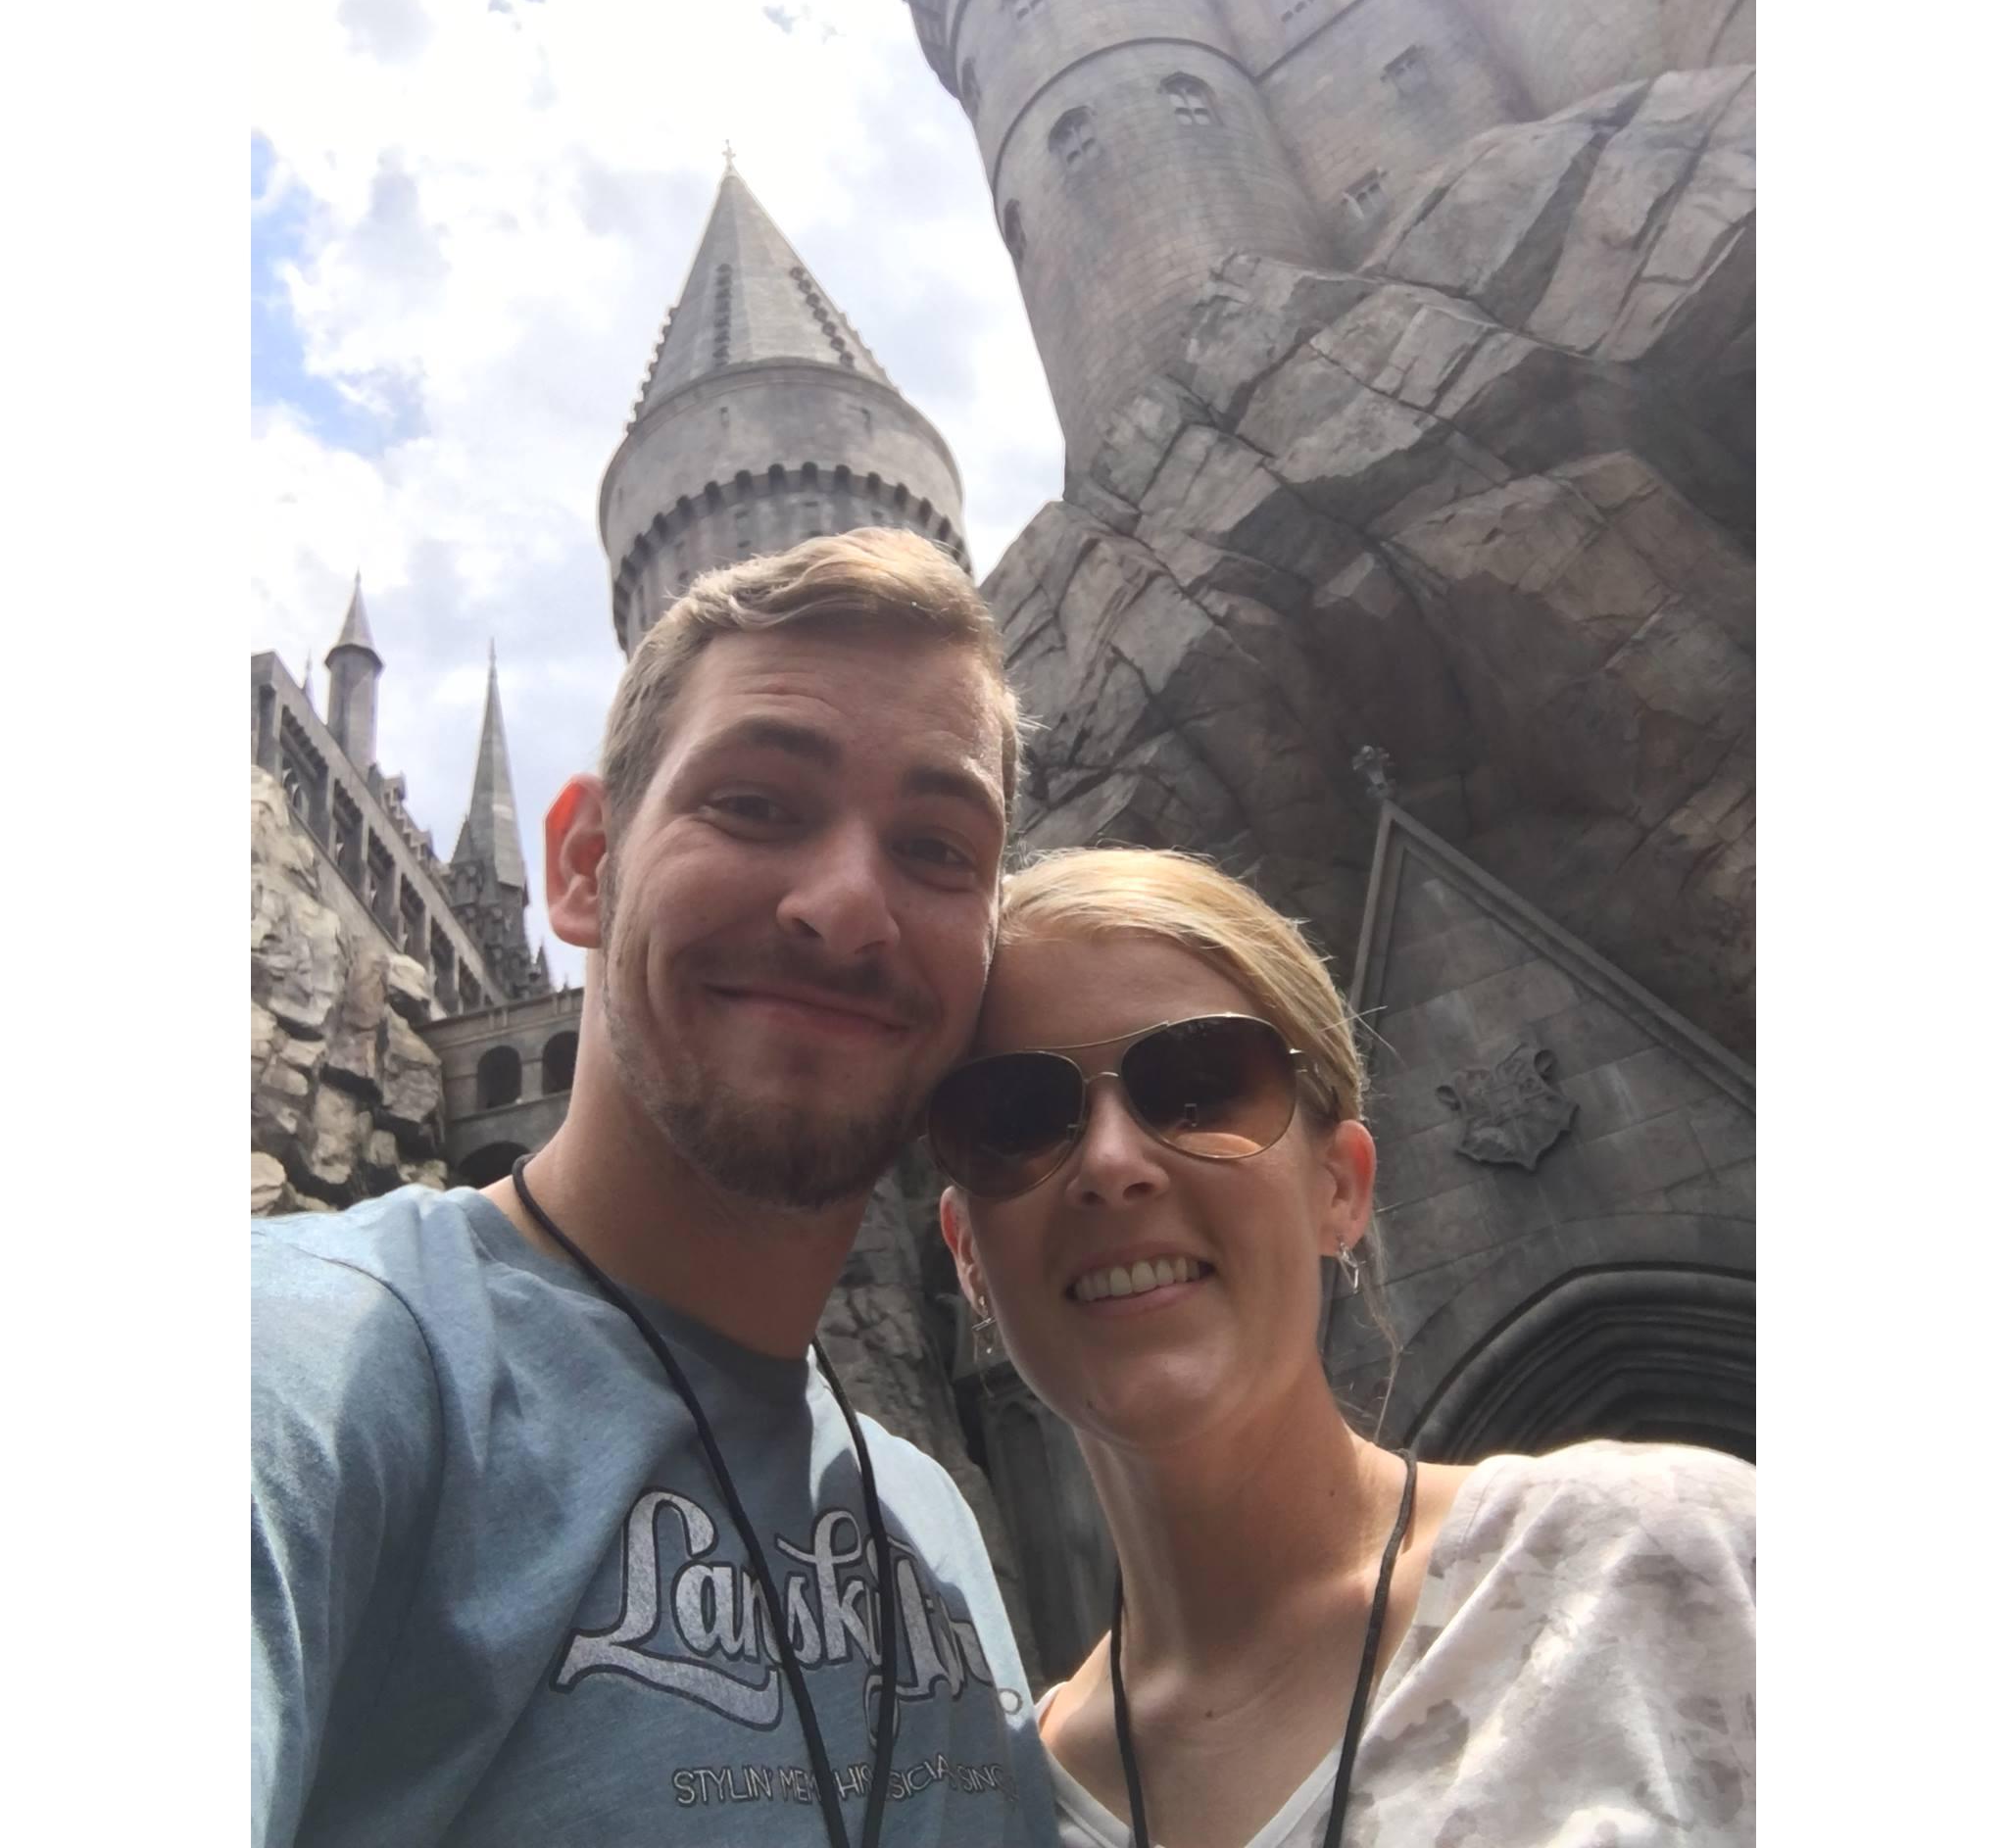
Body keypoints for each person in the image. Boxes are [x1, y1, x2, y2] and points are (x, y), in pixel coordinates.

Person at [252, 529, 1062, 1848]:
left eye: (935, 847)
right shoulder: (306, 1369)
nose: (846, 904)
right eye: (755, 804)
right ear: (584, 867)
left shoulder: (930, 1522)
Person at [932, 848, 1755, 1848]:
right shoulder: (985, 1813)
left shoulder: (1668, 1559)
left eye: (1197, 1088)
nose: (1110, 1161)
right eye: (1018, 1115)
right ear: (967, 1253)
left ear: (1340, 1187)